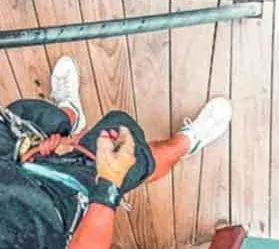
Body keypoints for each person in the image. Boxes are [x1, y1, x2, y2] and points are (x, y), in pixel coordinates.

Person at [0, 57, 233, 248]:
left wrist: (26, 153)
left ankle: (70, 114)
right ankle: (186, 142)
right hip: (57, 203)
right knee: (131, 155)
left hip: (12, 155)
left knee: (43, 117)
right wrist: (109, 183)